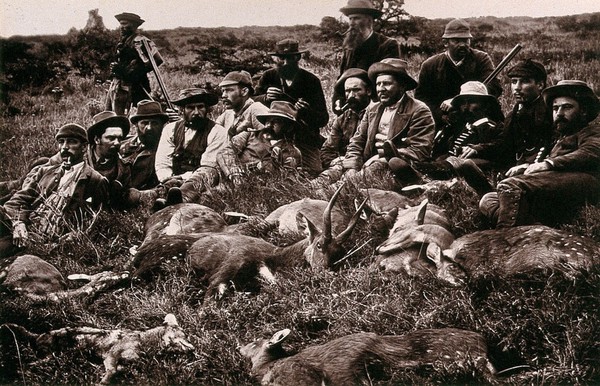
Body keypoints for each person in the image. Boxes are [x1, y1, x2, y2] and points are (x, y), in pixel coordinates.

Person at [479, 80, 600, 227]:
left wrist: (547, 164)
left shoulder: (591, 131)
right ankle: (531, 226)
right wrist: (528, 166)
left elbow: (591, 152)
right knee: (489, 199)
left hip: (586, 182)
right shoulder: (560, 138)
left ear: (584, 111)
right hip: (557, 188)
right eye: (555, 109)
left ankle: (506, 236)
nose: (559, 113)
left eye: (567, 107)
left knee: (511, 186)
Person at [0, 124, 108, 257]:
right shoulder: (45, 171)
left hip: (48, 240)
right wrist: (18, 222)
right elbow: (16, 200)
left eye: (71, 142)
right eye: (61, 142)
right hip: (22, 227)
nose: (64, 147)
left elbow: (95, 221)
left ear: (84, 147)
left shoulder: (96, 181)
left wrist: (69, 238)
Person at [322, 59, 434, 185]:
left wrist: (381, 157)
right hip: (365, 163)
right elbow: (357, 141)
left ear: (402, 86)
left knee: (351, 183)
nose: (381, 89)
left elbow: (419, 151)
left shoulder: (419, 110)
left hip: (397, 168)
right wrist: (352, 163)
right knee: (330, 175)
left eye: (386, 83)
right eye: (378, 84)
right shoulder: (373, 109)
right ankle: (314, 192)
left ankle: (334, 193)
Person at [254, 39, 328, 176]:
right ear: (276, 59)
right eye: (282, 58)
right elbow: (252, 102)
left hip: (303, 136)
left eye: (290, 58)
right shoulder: (268, 76)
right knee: (261, 169)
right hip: (271, 134)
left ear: (298, 57)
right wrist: (265, 98)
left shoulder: (311, 81)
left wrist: (305, 112)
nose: (286, 63)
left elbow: (323, 119)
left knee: (314, 171)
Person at [414, 18, 502, 129]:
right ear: (445, 42)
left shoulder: (481, 59)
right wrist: (441, 116)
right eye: (456, 40)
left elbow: (493, 87)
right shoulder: (430, 65)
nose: (462, 45)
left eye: (465, 40)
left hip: (479, 119)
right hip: (444, 122)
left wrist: (457, 101)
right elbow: (422, 98)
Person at [412, 81, 504, 185]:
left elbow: (501, 145)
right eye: (463, 103)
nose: (466, 107)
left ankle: (418, 171)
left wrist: (477, 148)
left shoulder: (493, 126)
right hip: (450, 162)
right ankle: (418, 170)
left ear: (484, 104)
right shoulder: (459, 126)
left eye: (472, 102)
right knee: (439, 160)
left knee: (461, 164)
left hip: (476, 165)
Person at [154, 88, 228, 208]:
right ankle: (138, 196)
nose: (196, 112)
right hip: (172, 180)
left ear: (207, 109)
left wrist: (181, 179)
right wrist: (167, 178)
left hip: (200, 183)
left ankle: (178, 199)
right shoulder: (170, 129)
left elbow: (208, 167)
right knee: (149, 194)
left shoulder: (218, 131)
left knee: (207, 174)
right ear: (182, 110)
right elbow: (162, 162)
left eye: (200, 107)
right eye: (190, 108)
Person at [333, 0, 400, 114]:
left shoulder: (387, 45)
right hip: (351, 108)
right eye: (350, 19)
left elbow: (389, 81)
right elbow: (341, 78)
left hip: (379, 108)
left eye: (356, 18)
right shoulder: (349, 48)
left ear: (369, 20)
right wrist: (338, 101)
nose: (352, 23)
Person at [217, 101, 303, 184]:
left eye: (276, 122)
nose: (269, 125)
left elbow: (288, 181)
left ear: (289, 127)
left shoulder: (293, 152)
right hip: (233, 181)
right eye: (268, 121)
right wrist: (235, 174)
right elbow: (225, 152)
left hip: (262, 190)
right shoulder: (249, 135)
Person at [106, 12, 163, 115]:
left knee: (137, 115)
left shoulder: (140, 40)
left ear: (134, 25)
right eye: (121, 24)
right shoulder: (123, 41)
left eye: (125, 24)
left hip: (134, 86)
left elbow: (157, 60)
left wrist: (133, 73)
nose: (121, 27)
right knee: (111, 115)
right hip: (118, 85)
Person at [321, 68, 373, 169]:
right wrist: (336, 162)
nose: (351, 96)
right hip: (342, 165)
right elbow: (328, 150)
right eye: (348, 91)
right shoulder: (342, 119)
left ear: (368, 91)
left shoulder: (378, 114)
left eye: (356, 90)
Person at [85, 111, 132, 207]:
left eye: (119, 138)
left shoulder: (123, 168)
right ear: (97, 140)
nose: (117, 143)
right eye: (111, 138)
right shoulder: (80, 159)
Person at [120, 99, 169, 191]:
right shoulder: (122, 145)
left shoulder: (166, 150)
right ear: (136, 125)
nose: (149, 128)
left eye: (155, 123)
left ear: (162, 125)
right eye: (144, 123)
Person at [216, 70, 269, 138]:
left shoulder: (257, 110)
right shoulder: (228, 113)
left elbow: (268, 140)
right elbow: (214, 136)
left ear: (244, 91)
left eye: (229, 90)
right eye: (223, 91)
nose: (223, 95)